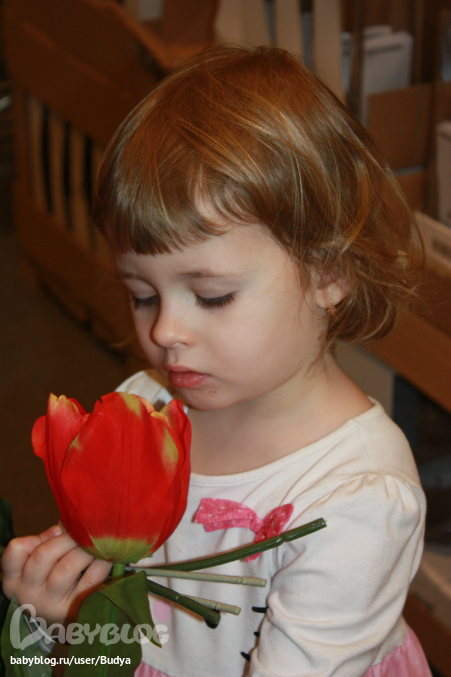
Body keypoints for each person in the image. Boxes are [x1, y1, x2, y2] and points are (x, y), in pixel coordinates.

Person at [2, 46, 431, 677]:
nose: (165, 331)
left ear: (329, 272)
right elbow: (105, 635)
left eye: (211, 296)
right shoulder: (145, 408)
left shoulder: (358, 499)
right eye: (142, 295)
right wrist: (62, 621)